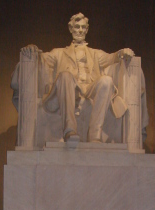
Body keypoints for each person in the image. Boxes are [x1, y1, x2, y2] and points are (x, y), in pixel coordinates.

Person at [21, 13, 135, 143]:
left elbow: (112, 57)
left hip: (90, 89)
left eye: (83, 27)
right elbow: (42, 58)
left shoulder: (95, 54)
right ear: (71, 29)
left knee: (107, 81)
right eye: (77, 27)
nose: (80, 30)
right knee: (65, 75)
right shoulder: (59, 53)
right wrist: (33, 51)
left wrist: (122, 53)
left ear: (86, 30)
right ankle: (69, 131)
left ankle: (94, 135)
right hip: (71, 88)